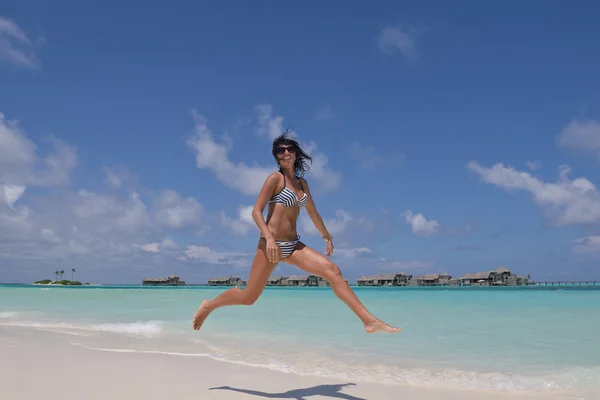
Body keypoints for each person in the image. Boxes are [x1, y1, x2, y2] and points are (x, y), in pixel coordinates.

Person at [192, 130, 401, 334]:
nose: (285, 153)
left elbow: (313, 213)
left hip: (293, 246)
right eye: (280, 150)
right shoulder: (275, 179)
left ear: (295, 153)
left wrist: (326, 235)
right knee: (248, 298)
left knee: (333, 271)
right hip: (270, 246)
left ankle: (369, 322)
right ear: (276, 156)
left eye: (289, 149)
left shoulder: (302, 184)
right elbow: (256, 211)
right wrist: (269, 239)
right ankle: (209, 305)